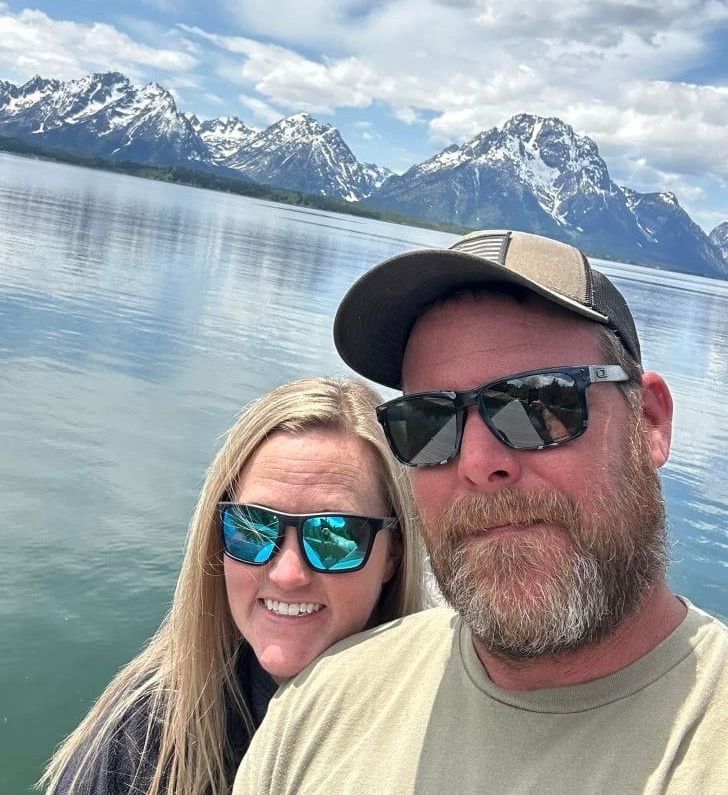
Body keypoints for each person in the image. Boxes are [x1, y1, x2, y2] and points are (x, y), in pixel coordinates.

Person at [234, 229, 728, 795]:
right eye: (427, 422)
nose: (477, 462)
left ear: (649, 423)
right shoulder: (316, 711)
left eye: (537, 404)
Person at [39, 376, 426, 795]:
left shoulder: (437, 731)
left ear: (393, 555)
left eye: (333, 535)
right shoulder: (141, 741)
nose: (287, 574)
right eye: (253, 528)